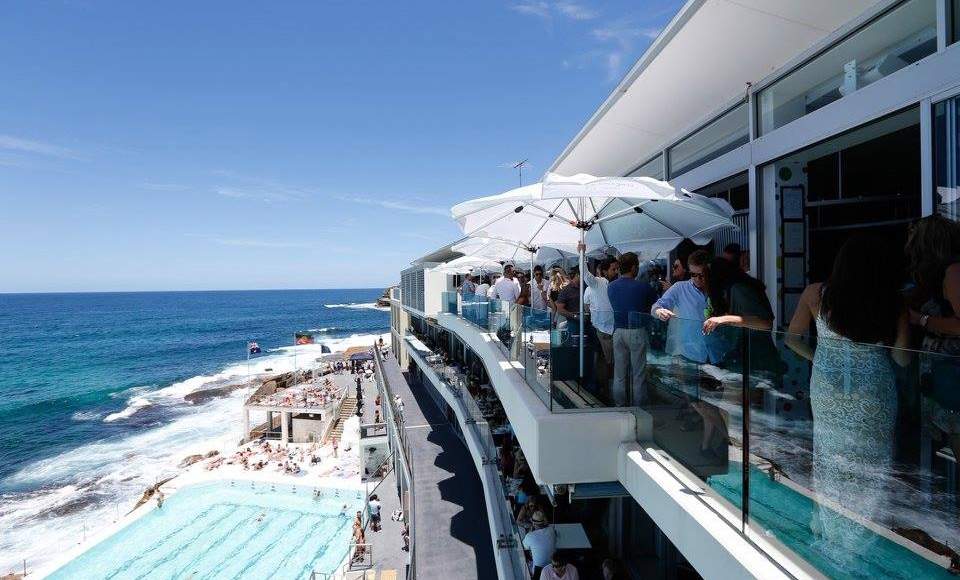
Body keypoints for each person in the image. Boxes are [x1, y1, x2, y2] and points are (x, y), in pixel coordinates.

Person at [786, 234, 910, 560]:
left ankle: (833, 539)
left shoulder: (817, 294)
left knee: (830, 461)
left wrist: (822, 358)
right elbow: (901, 358)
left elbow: (792, 339)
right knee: (872, 465)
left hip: (828, 387)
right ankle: (863, 547)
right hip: (875, 391)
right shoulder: (893, 301)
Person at [904, 215, 960, 463]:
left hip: (953, 377)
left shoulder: (954, 272)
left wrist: (921, 319)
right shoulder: (944, 274)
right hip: (944, 379)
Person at [607, 251, 657, 406]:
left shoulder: (611, 286)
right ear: (634, 267)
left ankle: (620, 406)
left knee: (619, 373)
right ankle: (639, 409)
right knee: (638, 373)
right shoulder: (644, 287)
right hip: (636, 330)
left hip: (618, 331)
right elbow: (652, 307)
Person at [651, 250, 718, 364]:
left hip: (717, 353)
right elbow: (656, 307)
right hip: (690, 354)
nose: (697, 279)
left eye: (701, 275)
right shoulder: (679, 288)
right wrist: (659, 311)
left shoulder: (718, 289)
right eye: (693, 274)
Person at [581, 250, 619, 395]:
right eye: (613, 269)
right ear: (604, 271)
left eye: (617, 269)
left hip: (615, 329)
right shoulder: (598, 283)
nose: (616, 272)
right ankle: (606, 390)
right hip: (603, 330)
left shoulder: (618, 283)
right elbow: (585, 274)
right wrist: (582, 254)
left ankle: (607, 389)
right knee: (607, 362)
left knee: (610, 362)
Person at [522, 511, 556, 579]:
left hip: (538, 571)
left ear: (533, 523)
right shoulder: (551, 530)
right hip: (552, 566)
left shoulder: (530, 536)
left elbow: (524, 546)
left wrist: (530, 532)